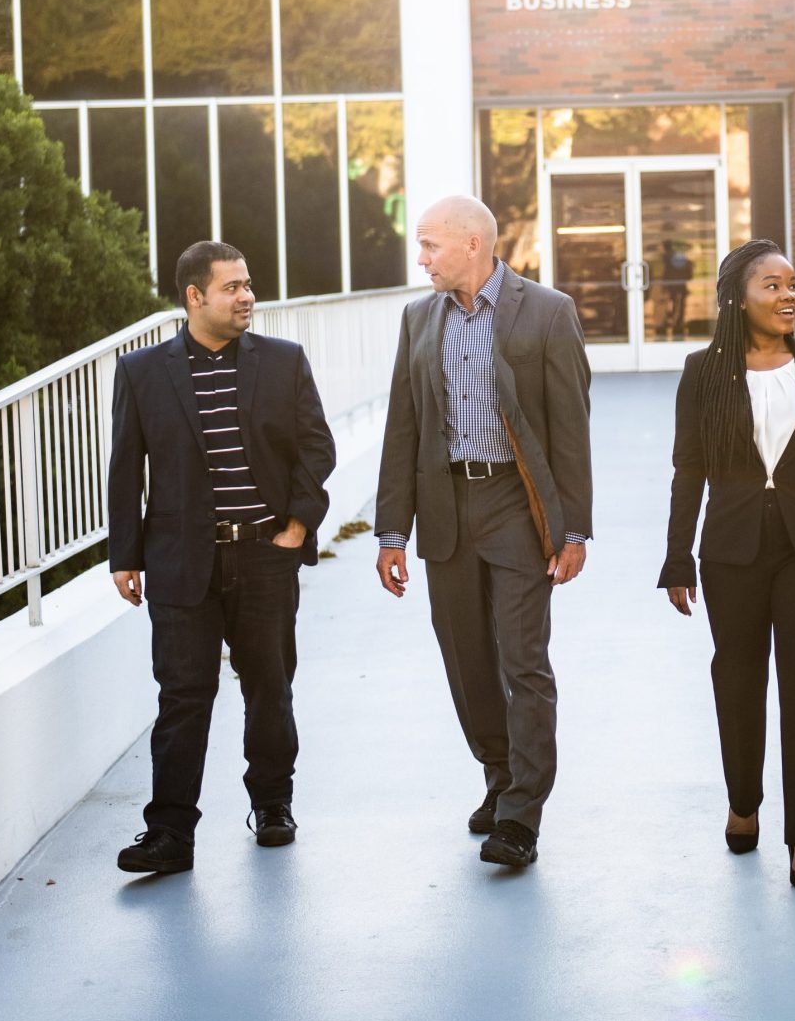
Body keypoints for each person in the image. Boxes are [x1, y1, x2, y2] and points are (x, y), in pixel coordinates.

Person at [374, 196, 592, 869]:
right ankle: (498, 774)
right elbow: (402, 428)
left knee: (521, 659)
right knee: (467, 660)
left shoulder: (547, 311)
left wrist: (573, 529)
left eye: (430, 244)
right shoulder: (418, 319)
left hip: (515, 504)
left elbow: (569, 430)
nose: (421, 258)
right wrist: (390, 532)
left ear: (472, 244)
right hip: (447, 506)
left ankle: (522, 814)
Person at [108, 241, 336, 874]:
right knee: (183, 695)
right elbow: (125, 468)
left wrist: (295, 526)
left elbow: (316, 449)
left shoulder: (284, 362)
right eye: (232, 286)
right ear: (194, 297)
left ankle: (272, 805)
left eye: (248, 283)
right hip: (182, 562)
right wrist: (124, 555)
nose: (246, 297)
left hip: (265, 554)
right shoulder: (142, 372)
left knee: (269, 686)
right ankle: (170, 835)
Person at [659, 239, 795, 892]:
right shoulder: (702, 372)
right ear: (738, 297)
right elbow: (688, 467)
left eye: (792, 283)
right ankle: (742, 800)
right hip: (731, 548)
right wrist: (676, 556)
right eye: (771, 285)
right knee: (738, 681)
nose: (787, 295)